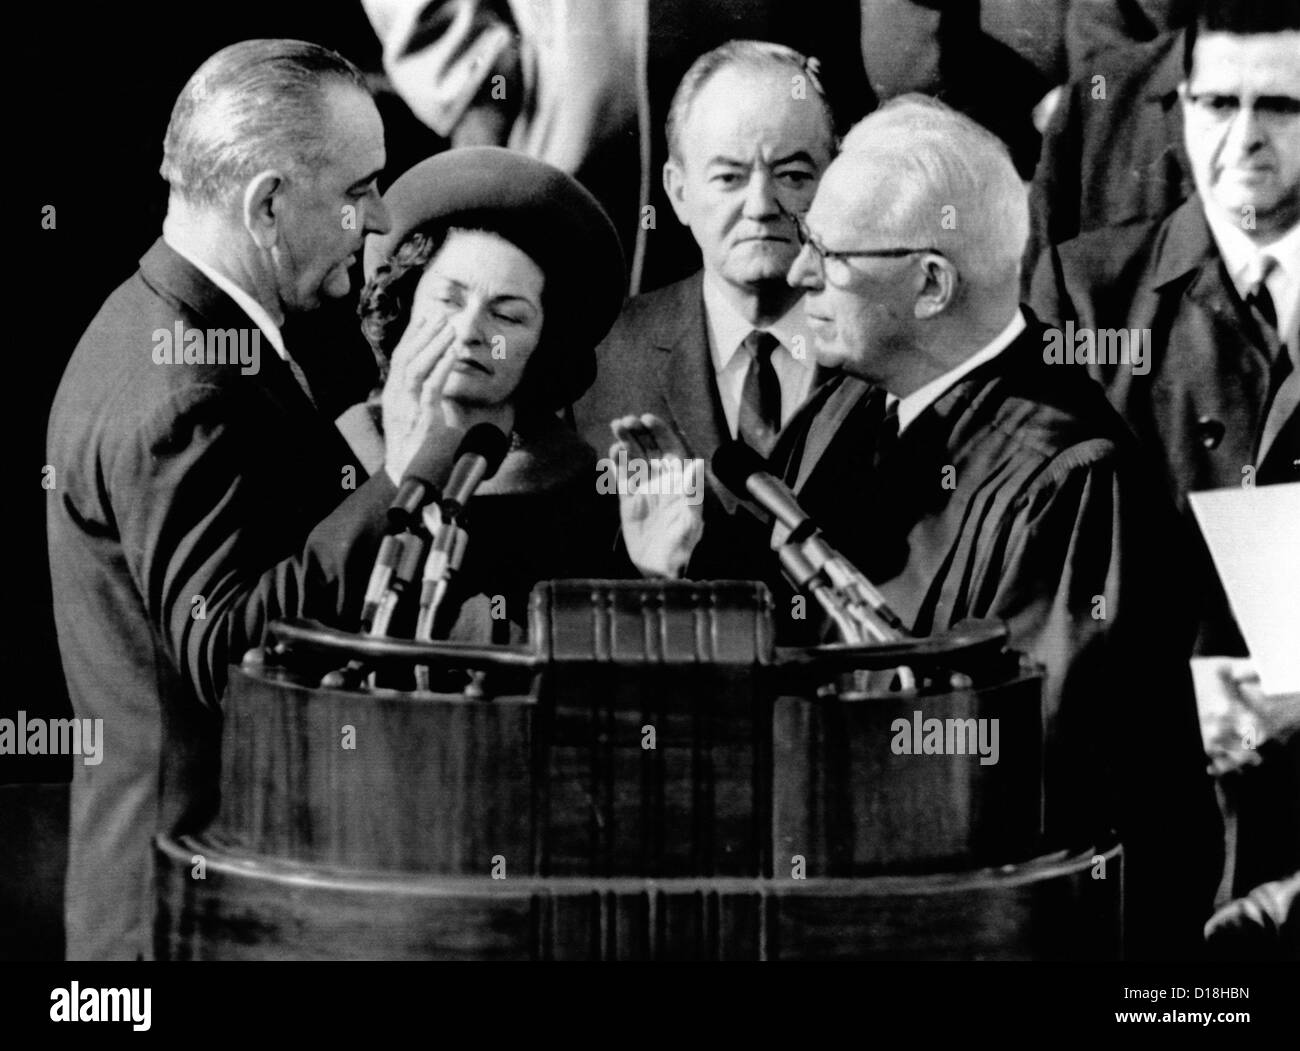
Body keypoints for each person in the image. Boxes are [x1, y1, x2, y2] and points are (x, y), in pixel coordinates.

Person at [618, 95, 1222, 958]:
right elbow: (782, 624)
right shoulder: (854, 403)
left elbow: (1013, 783)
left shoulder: (1068, 479)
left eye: (829, 256)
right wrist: (682, 568)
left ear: (931, 284)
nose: (797, 276)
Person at [45, 39, 455, 960]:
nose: (380, 215)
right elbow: (229, 653)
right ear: (268, 203)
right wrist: (405, 474)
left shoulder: (176, 325)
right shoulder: (184, 383)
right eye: (360, 190)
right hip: (177, 920)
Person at [1030, 0, 1300, 655]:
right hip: (1144, 729)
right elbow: (1039, 558)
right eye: (1216, 105)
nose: (1244, 142)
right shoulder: (1089, 295)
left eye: (1280, 107)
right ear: (1180, 106)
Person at [572, 40, 841, 637]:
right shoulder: (598, 362)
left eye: (794, 175)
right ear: (677, 190)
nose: (761, 205)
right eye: (728, 176)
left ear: (836, 179)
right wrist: (653, 572)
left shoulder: (883, 355)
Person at [355, 146, 626, 642]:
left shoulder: (583, 495)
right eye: (448, 299)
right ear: (404, 302)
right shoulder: (336, 453)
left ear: (547, 343)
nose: (470, 331)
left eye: (506, 315)